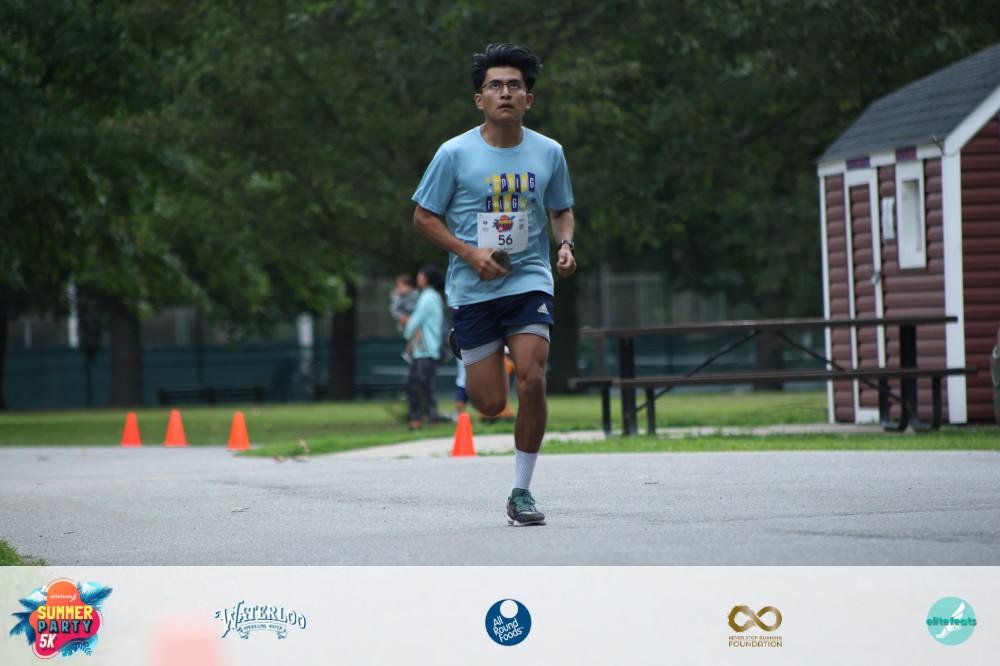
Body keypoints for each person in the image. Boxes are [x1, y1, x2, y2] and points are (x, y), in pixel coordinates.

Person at [411, 43, 577, 526]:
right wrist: (470, 254)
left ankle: (521, 491)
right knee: (490, 404)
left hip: (529, 280)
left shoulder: (549, 152)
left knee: (532, 378)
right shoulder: (454, 154)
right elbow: (423, 217)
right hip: (472, 289)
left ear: (529, 99)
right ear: (479, 99)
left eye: (514, 85)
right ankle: (466, 343)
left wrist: (565, 245)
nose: (505, 92)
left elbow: (561, 209)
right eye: (495, 85)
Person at [402, 266, 446, 431]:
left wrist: (407, 332)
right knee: (420, 385)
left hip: (425, 350)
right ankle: (422, 420)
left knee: (421, 386)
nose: (418, 277)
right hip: (426, 350)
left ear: (426, 278)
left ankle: (427, 420)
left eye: (420, 275)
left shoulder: (427, 298)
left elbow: (413, 323)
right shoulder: (434, 297)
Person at [390, 273, 420, 363]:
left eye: (401, 286)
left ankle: (413, 351)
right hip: (406, 320)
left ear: (409, 286)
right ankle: (410, 352)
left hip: (417, 318)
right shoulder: (398, 297)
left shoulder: (416, 294)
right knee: (414, 332)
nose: (399, 288)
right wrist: (401, 317)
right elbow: (394, 310)